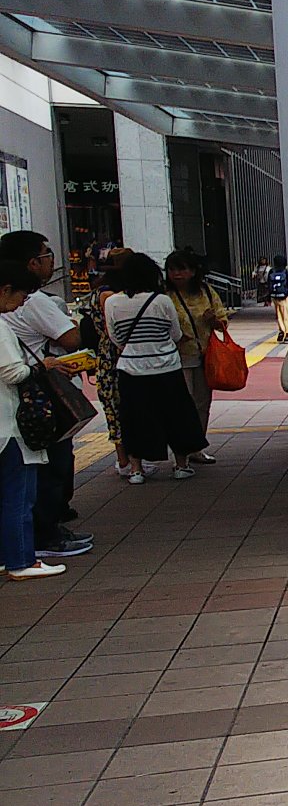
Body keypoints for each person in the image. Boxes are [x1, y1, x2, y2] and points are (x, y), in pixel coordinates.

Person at [0, 231, 92, 562]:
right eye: (46, 255)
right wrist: (42, 366)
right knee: (33, 479)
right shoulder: (34, 302)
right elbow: (15, 370)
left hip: (13, 412)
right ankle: (28, 551)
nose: (51, 261)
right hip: (25, 407)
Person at [103, 252, 208, 482]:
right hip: (166, 367)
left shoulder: (112, 302)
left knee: (134, 418)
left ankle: (136, 470)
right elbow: (175, 334)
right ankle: (181, 465)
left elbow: (116, 338)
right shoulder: (162, 301)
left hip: (131, 369)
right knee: (176, 415)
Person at [0, 261, 63, 580]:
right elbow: (13, 371)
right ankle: (21, 560)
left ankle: (6, 556)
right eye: (20, 297)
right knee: (18, 495)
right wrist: (39, 366)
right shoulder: (0, 327)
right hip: (8, 424)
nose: (21, 304)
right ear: (5, 290)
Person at [165, 250, 228, 462]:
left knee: (202, 403)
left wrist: (213, 321)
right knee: (182, 404)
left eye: (182, 269)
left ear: (193, 271)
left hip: (205, 356)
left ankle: (196, 446)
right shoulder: (165, 295)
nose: (176, 274)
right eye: (172, 269)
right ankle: (180, 450)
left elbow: (223, 323)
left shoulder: (206, 292)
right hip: (176, 357)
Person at [92, 246, 137, 479]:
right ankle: (125, 459)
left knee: (119, 409)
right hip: (116, 356)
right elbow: (114, 333)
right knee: (120, 408)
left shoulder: (103, 291)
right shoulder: (109, 296)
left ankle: (129, 459)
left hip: (109, 356)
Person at [266, 254, 288, 342]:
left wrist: (269, 295)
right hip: (284, 296)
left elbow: (268, 284)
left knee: (279, 314)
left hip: (275, 296)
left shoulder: (272, 271)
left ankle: (281, 331)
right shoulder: (286, 271)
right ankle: (287, 333)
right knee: (286, 314)